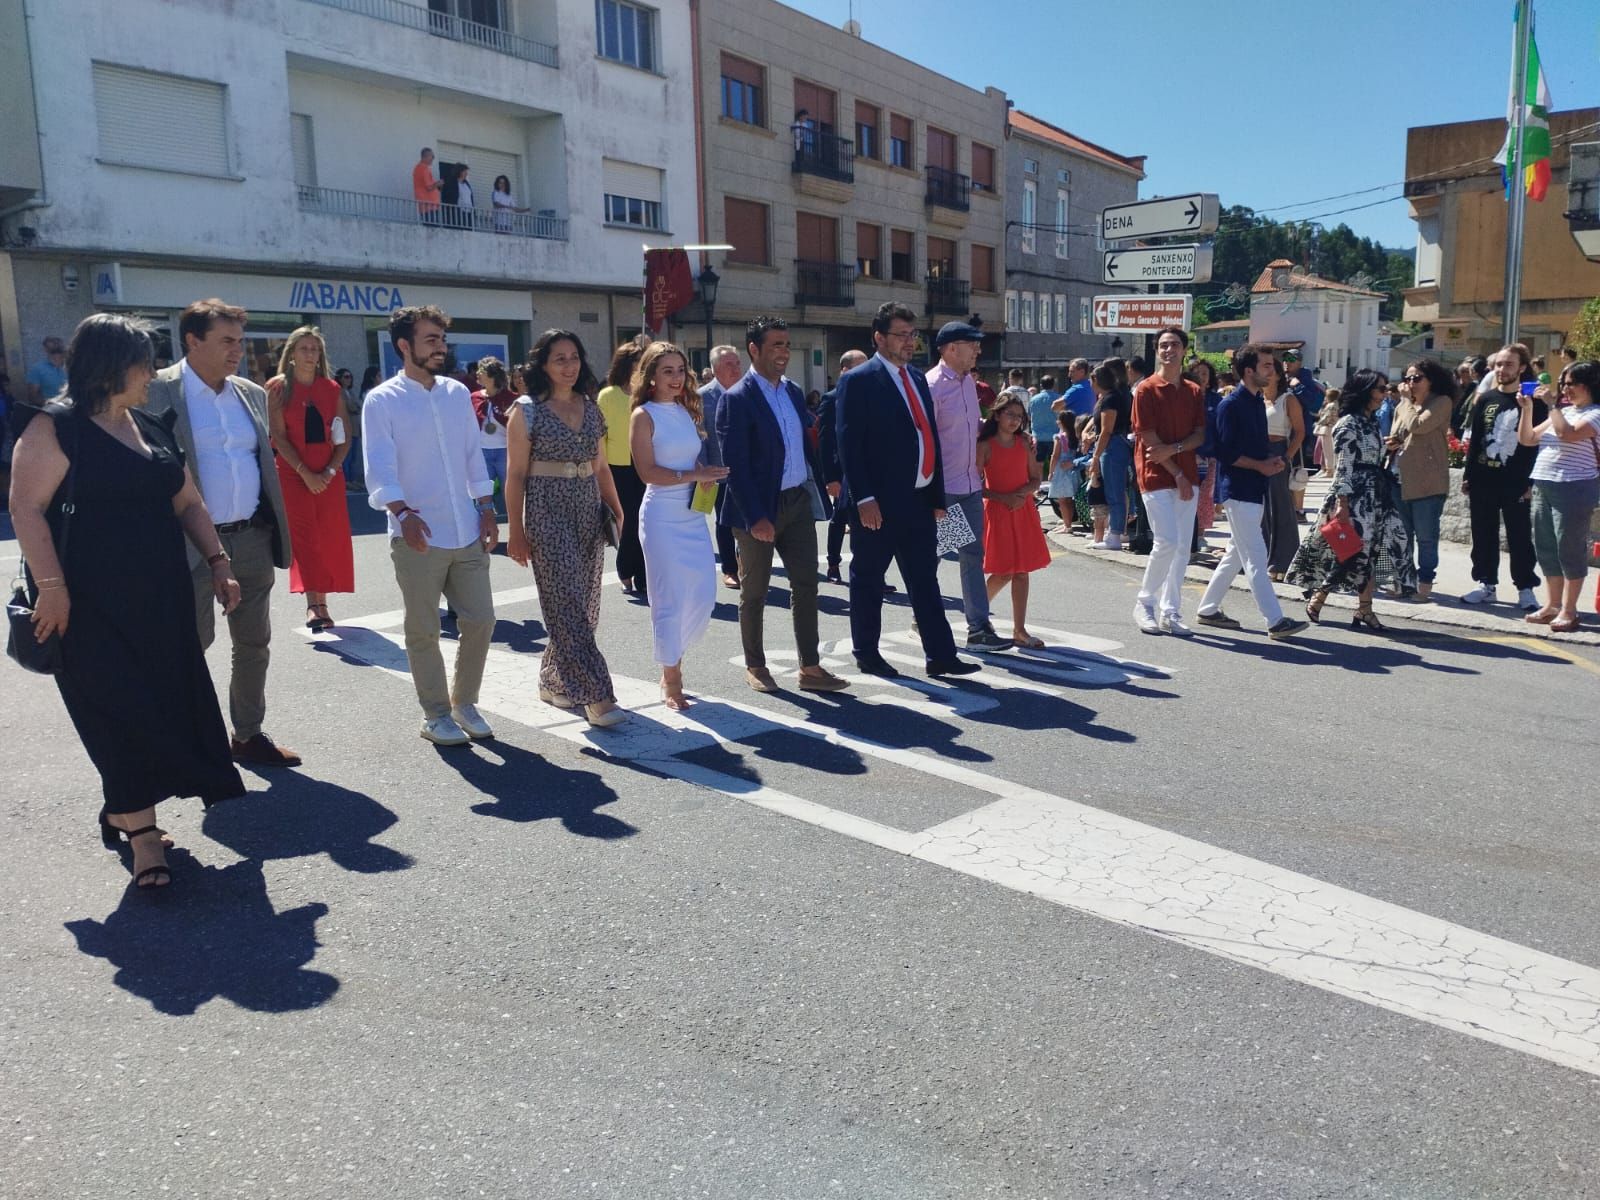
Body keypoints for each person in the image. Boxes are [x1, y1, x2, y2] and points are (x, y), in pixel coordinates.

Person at [8, 314, 246, 890]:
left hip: (162, 601)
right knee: (117, 713)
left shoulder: (149, 426)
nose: (153, 373)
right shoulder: (54, 429)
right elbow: (26, 510)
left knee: (165, 706)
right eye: (145, 362)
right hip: (88, 608)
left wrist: (218, 563)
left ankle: (123, 806)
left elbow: (187, 502)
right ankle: (144, 838)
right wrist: (53, 591)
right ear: (112, 365)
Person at [144, 299, 300, 767]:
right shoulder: (156, 392)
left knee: (253, 642)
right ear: (193, 341)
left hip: (250, 536)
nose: (238, 350)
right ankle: (183, 739)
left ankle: (247, 735)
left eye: (241, 341)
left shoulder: (250, 392)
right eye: (227, 341)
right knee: (190, 645)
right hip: (188, 543)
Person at [362, 305, 499, 746]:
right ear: (404, 346)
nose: (441, 348)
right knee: (423, 628)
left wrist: (485, 505)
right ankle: (436, 713)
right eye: (431, 340)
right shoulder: (381, 400)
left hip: (465, 526)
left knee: (480, 620)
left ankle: (464, 702)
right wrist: (401, 513)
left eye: (442, 340)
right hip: (416, 532)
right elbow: (379, 466)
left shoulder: (457, 394)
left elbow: (471, 454)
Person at [835, 302, 979, 679]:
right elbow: (850, 444)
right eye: (901, 335)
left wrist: (935, 497)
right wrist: (863, 498)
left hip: (918, 500)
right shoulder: (859, 380)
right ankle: (866, 651)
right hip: (878, 504)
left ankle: (941, 656)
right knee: (868, 579)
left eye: (913, 335)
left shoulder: (915, 378)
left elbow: (927, 435)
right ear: (879, 338)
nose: (909, 342)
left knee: (924, 580)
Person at [716, 316, 849, 694]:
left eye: (787, 345)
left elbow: (805, 444)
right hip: (757, 508)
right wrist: (756, 516)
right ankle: (755, 665)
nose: (784, 352)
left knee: (807, 585)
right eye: (776, 345)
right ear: (754, 350)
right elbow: (735, 468)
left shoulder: (791, 390)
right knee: (754, 591)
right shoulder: (736, 398)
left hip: (796, 501)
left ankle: (810, 667)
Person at [506, 330, 627, 726]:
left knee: (585, 606)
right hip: (546, 510)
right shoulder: (526, 411)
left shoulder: (590, 408)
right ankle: (597, 695)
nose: (569, 365)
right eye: (559, 358)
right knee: (568, 604)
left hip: (587, 509)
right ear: (543, 364)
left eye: (574, 357)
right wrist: (517, 532)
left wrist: (616, 508)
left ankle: (554, 681)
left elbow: (602, 466)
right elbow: (516, 474)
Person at [629, 342, 729, 709]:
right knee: (668, 599)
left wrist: (706, 477)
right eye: (666, 371)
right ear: (651, 376)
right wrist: (694, 473)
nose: (675, 378)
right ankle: (672, 678)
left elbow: (693, 462)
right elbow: (647, 472)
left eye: (680, 370)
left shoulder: (689, 412)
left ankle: (670, 658)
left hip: (692, 514)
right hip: (661, 517)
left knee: (702, 597)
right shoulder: (644, 415)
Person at [1195, 344, 1307, 640]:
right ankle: (1275, 620)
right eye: (1267, 365)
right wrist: (1261, 465)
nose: (1274, 370)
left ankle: (1207, 609)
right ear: (1250, 370)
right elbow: (1225, 452)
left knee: (1235, 553)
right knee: (1256, 556)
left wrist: (1270, 463)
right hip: (1238, 490)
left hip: (1253, 488)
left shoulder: (1256, 402)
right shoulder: (1230, 405)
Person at [1290, 370, 1412, 631]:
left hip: (1375, 494)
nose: (1384, 394)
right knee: (1350, 551)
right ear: (1366, 390)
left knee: (1371, 552)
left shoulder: (1370, 422)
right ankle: (1319, 596)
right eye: (1380, 389)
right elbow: (1344, 466)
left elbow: (1370, 456)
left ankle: (1364, 609)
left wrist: (1384, 447)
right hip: (1355, 496)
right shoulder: (1348, 423)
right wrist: (1342, 504)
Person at [928, 320, 1012, 653]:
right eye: (972, 344)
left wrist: (1006, 430)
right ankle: (927, 615)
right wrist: (931, 492)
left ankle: (978, 627)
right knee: (936, 555)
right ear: (950, 349)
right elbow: (925, 440)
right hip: (944, 487)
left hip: (970, 485)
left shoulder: (967, 384)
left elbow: (969, 426)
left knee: (971, 556)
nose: (979, 349)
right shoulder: (932, 385)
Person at [265, 326, 354, 632]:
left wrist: (327, 472)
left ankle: (323, 602)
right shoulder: (277, 388)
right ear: (290, 354)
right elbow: (277, 436)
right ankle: (313, 606)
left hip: (328, 477)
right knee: (305, 540)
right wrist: (306, 474)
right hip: (293, 475)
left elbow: (344, 438)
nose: (309, 354)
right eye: (303, 348)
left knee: (328, 538)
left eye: (314, 349)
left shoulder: (331, 389)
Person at [1130, 327, 1207, 636]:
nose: (1168, 350)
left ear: (1184, 350)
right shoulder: (1146, 389)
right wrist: (1176, 471)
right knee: (1167, 541)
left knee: (1181, 550)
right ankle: (1144, 602)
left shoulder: (1193, 390)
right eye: (1163, 345)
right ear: (1156, 350)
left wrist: (1175, 452)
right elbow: (1149, 440)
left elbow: (1199, 434)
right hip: (1155, 475)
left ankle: (1170, 611)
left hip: (1186, 475)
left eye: (1174, 344)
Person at [1459, 345, 1544, 610]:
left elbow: (1537, 444)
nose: (1501, 369)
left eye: (1508, 364)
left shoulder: (1533, 402)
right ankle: (1486, 584)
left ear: (1521, 367)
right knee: (1483, 534)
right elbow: (1476, 441)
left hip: (1516, 481)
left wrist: (1530, 483)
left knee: (1519, 537)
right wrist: (1468, 475)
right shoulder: (1485, 399)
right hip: (1484, 479)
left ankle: (1525, 588)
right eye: (1498, 364)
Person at [1518, 359, 1600, 632]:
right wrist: (1528, 409)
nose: (1566, 389)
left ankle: (1569, 609)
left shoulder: (1595, 413)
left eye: (1572, 383)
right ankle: (1552, 604)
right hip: (1544, 483)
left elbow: (1567, 434)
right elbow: (1528, 438)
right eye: (1563, 383)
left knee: (1569, 547)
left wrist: (1552, 406)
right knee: (1546, 546)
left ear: (1590, 384)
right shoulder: (1563, 411)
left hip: (1574, 486)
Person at [977, 395, 1051, 647]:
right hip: (997, 511)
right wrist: (1004, 497)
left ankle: (1020, 630)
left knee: (1021, 572)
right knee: (1002, 572)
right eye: (1010, 414)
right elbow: (975, 485)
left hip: (1023, 510)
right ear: (997, 415)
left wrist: (1020, 495)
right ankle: (975, 614)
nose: (1015, 420)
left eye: (1019, 416)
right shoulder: (985, 445)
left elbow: (1035, 479)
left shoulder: (1024, 443)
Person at [1387, 360, 1456, 601]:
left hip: (1427, 481)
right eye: (1407, 379)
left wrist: (1406, 401)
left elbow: (1419, 426)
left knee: (1426, 536)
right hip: (1399, 478)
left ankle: (1425, 583)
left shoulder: (1441, 402)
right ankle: (1405, 581)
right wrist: (1392, 442)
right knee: (1403, 535)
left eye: (1417, 378)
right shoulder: (1403, 406)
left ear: (1431, 380)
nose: (1410, 384)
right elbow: (1398, 433)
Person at [598, 338, 649, 599]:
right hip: (617, 468)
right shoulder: (607, 396)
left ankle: (643, 575)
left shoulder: (647, 395)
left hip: (646, 465)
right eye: (638, 364)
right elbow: (600, 438)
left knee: (645, 522)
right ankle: (625, 570)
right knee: (626, 522)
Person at [818, 349, 869, 586]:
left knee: (867, 523)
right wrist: (831, 477)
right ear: (844, 370)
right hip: (842, 473)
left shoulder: (872, 395)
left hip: (866, 470)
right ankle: (833, 564)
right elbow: (826, 441)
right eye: (859, 367)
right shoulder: (831, 398)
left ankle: (871, 572)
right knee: (839, 519)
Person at [698, 343, 745, 589]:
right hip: (718, 471)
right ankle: (730, 569)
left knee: (748, 519)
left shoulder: (749, 391)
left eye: (738, 363)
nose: (736, 368)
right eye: (729, 364)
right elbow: (700, 435)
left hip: (748, 470)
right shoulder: (702, 396)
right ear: (716, 368)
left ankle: (746, 562)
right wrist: (704, 470)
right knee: (724, 522)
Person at [1261, 360, 1303, 579]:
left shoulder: (1288, 400)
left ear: (1278, 375)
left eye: (1270, 370)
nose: (1265, 374)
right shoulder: (1257, 399)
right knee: (1260, 510)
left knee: (1279, 506)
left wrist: (1287, 457)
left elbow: (1300, 431)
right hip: (1257, 453)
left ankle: (1283, 561)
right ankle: (1263, 557)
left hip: (1278, 452)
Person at [1086, 360, 1133, 550]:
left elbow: (1106, 430)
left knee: (1114, 492)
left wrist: (1096, 456)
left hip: (1113, 447)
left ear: (1096, 380)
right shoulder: (1110, 397)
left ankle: (1114, 535)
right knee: (1115, 491)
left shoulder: (1110, 399)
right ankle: (1115, 532)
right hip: (1114, 445)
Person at [470, 357, 518, 518]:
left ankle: (516, 528)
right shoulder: (474, 397)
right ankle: (482, 527)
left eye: (481, 371)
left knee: (510, 491)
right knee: (482, 491)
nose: (477, 374)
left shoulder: (511, 398)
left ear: (492, 376)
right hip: (482, 452)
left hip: (505, 451)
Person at [1045, 410, 1081, 528]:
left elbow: (1055, 456)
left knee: (1062, 500)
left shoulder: (1060, 438)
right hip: (1073, 470)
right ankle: (1069, 522)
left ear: (1062, 423)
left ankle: (1067, 525)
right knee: (1070, 499)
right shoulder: (1076, 436)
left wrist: (1051, 472)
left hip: (1061, 471)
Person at [1027, 373, 1060, 469]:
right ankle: (1054, 483)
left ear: (1041, 385)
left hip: (1038, 437)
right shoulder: (1059, 399)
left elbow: (1029, 416)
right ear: (1053, 385)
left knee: (1038, 465)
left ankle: (1038, 483)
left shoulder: (1033, 400)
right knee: (1055, 464)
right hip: (1055, 436)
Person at [24, 335, 68, 405]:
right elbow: (32, 396)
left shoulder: (71, 368)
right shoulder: (37, 369)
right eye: (51, 348)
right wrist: (52, 406)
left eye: (58, 346)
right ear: (45, 349)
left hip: (71, 410)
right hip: (48, 411)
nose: (56, 349)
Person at [1314, 387, 1342, 477]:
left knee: (1328, 451)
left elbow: (1326, 418)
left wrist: (1317, 424)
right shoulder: (1337, 404)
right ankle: (1330, 469)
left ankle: (1329, 470)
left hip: (1328, 429)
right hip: (1332, 429)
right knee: (1331, 451)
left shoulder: (1331, 405)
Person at [412, 148, 441, 224]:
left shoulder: (418, 168)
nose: (433, 158)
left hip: (427, 206)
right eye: (432, 156)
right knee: (433, 231)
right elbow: (429, 187)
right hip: (429, 207)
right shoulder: (424, 169)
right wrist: (438, 184)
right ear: (425, 157)